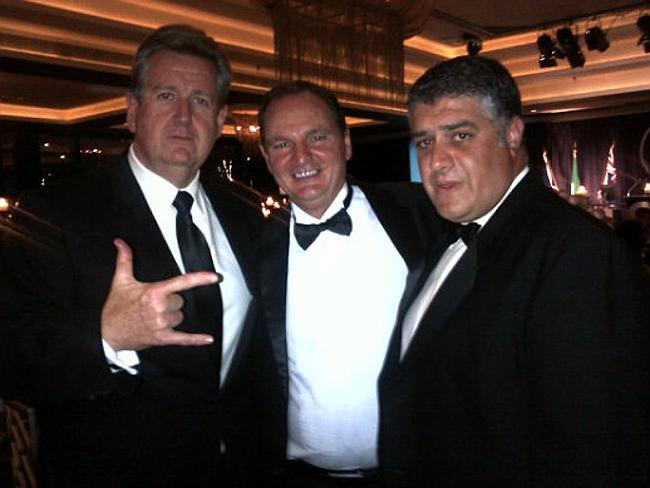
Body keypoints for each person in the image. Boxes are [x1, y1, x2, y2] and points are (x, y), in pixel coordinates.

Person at [0, 25, 261, 487]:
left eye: (200, 101)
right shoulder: (55, 212)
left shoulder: (245, 210)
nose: (183, 116)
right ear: (132, 111)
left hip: (232, 466)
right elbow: (12, 356)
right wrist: (107, 337)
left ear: (220, 120)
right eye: (165, 96)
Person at [378, 55, 650, 487]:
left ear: (511, 134)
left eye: (460, 136)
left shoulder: (576, 256)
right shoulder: (450, 237)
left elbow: (592, 448)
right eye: (425, 142)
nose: (436, 162)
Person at [254, 81, 436, 487]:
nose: (301, 156)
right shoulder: (253, 249)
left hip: (418, 470)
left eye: (316, 137)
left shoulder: (422, 215)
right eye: (282, 144)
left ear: (346, 142)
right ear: (267, 158)